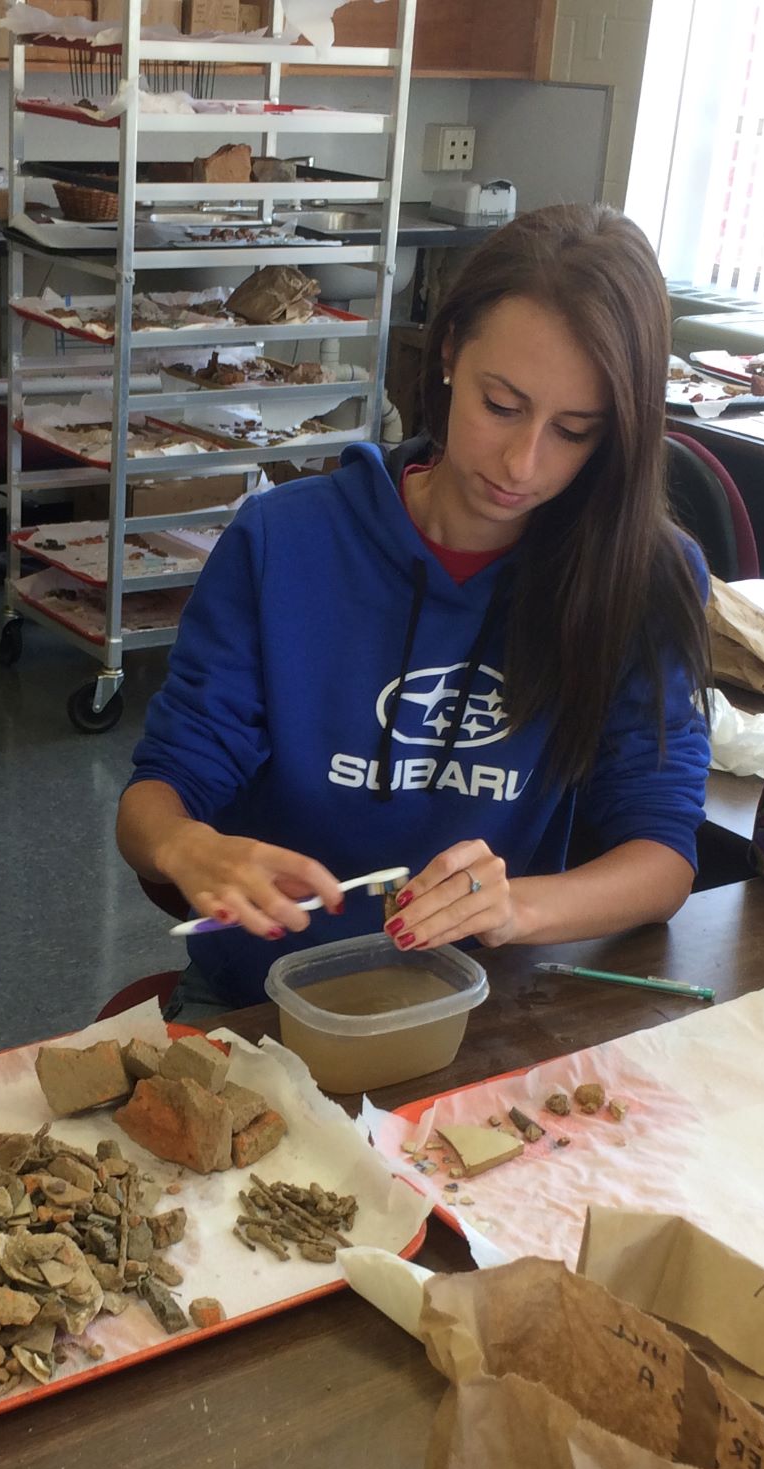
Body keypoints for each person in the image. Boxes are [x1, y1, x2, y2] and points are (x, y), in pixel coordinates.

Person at [118, 204, 712, 1015]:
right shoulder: (285, 543)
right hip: (266, 1004)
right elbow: (158, 796)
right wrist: (187, 844)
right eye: (500, 405)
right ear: (446, 354)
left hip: (481, 1008)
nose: (522, 462)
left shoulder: (639, 577)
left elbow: (664, 857)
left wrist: (515, 906)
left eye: (575, 431)